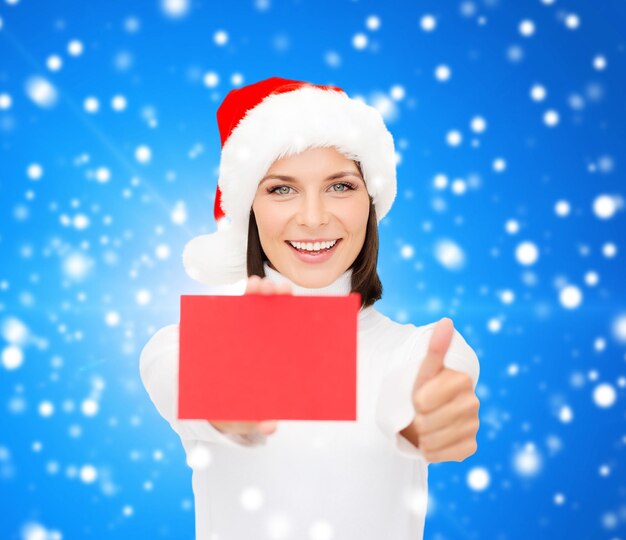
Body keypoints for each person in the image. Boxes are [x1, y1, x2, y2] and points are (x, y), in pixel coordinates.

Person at [139, 76, 480, 540]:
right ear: (249, 209)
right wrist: (230, 400)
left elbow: (418, 401)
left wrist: (428, 420)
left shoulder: (420, 349)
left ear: (370, 202)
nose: (314, 217)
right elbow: (188, 383)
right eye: (282, 189)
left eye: (340, 186)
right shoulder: (179, 346)